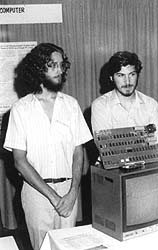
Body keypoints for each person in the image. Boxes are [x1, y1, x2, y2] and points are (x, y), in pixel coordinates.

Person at [3, 43, 92, 250]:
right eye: (52, 65)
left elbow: (79, 153)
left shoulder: (71, 105)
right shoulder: (21, 109)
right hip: (37, 195)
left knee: (68, 246)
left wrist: (72, 193)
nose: (59, 71)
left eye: (61, 65)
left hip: (68, 192)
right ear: (38, 69)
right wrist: (53, 196)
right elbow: (19, 161)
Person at [91, 51, 158, 149]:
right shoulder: (100, 105)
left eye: (132, 74)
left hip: (148, 162)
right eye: (121, 75)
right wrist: (144, 140)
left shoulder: (150, 104)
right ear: (111, 78)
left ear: (137, 75)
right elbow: (105, 147)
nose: (127, 81)